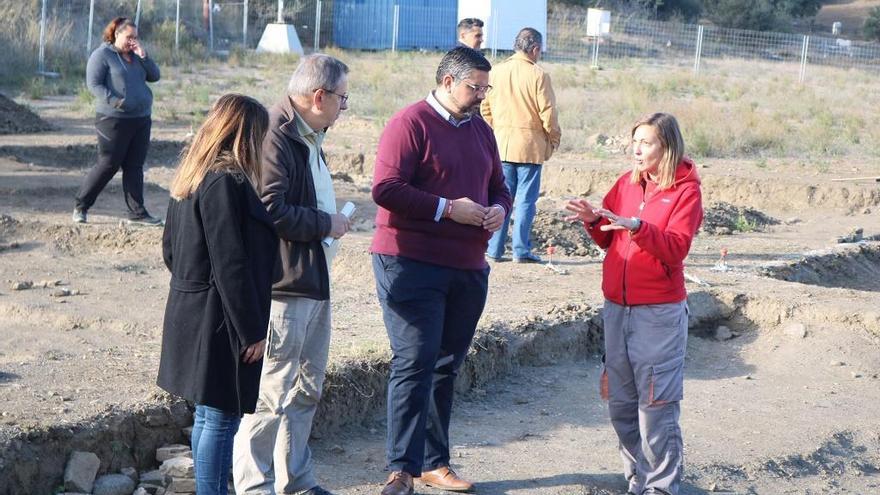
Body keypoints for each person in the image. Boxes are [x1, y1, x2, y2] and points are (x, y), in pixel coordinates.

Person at [371, 46, 512, 495]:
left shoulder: (482, 132)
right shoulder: (409, 123)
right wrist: (448, 209)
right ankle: (401, 469)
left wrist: (497, 211)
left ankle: (435, 463)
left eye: (486, 89)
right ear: (448, 82)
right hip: (410, 261)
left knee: (445, 366)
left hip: (467, 266)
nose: (482, 96)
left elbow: (500, 188)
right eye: (476, 88)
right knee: (415, 359)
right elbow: (386, 188)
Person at [565, 113, 703, 495]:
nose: (637, 149)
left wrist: (640, 229)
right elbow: (609, 237)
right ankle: (637, 479)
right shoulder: (626, 183)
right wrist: (594, 220)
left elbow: (676, 249)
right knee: (622, 405)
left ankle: (661, 487)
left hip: (658, 314)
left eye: (647, 143)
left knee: (656, 407)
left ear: (667, 147)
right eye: (635, 141)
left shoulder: (686, 191)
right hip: (616, 309)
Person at [232, 54, 352, 495]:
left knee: (307, 388)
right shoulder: (276, 136)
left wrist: (328, 225)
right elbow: (271, 209)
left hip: (313, 278)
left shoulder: (310, 134)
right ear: (318, 96)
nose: (344, 107)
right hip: (285, 286)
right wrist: (327, 224)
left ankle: (296, 480)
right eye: (342, 98)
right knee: (273, 393)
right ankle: (254, 486)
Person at [158, 94, 278, 495]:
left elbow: (170, 252)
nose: (264, 144)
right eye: (261, 135)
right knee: (221, 417)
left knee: (209, 416)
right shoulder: (226, 182)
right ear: (245, 135)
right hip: (221, 318)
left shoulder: (192, 177)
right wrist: (251, 331)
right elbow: (231, 263)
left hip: (193, 310)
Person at [482, 27, 561, 264]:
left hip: (501, 145)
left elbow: (485, 108)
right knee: (525, 201)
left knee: (500, 198)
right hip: (530, 147)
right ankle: (520, 250)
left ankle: (494, 249)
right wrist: (553, 138)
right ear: (535, 49)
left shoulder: (496, 71)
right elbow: (548, 112)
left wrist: (498, 130)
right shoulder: (538, 75)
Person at [75, 16, 162, 225]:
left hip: (141, 118)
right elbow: (94, 84)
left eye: (136, 37)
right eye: (129, 37)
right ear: (116, 34)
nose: (133, 41)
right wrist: (116, 102)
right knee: (108, 164)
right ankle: (81, 206)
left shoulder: (137, 55)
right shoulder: (102, 55)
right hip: (112, 119)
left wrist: (144, 55)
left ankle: (137, 214)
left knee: (134, 166)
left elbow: (155, 76)